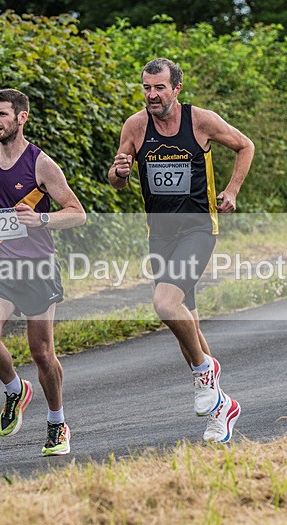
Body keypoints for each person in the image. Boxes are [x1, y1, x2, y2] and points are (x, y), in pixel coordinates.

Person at [108, 58, 254, 442]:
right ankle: (222, 409)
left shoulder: (201, 121)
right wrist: (120, 172)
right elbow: (117, 179)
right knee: (185, 319)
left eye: (159, 88)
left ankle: (205, 373)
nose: (152, 95)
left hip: (198, 228)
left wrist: (233, 190)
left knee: (165, 304)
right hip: (160, 234)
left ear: (176, 89)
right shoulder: (135, 126)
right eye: (146, 88)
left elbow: (245, 146)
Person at [0, 89, 86, 456]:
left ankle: (57, 422)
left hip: (37, 269)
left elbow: (77, 212)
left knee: (42, 353)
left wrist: (42, 218)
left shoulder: (41, 165)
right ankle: (15, 389)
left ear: (22, 117)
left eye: (1, 114)